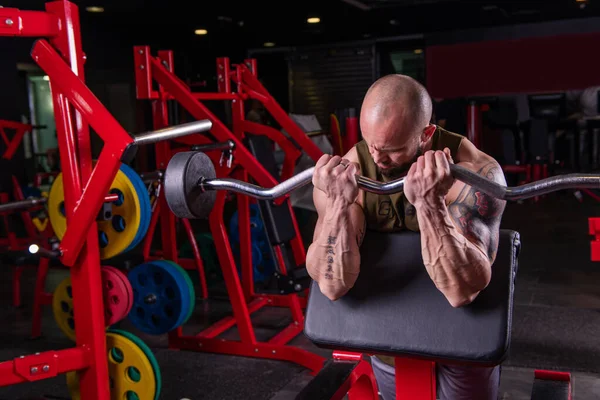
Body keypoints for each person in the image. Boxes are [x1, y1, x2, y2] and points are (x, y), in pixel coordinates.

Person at [305, 74, 507, 400]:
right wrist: (340, 205)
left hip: (464, 342)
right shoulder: (354, 169)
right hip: (386, 340)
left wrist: (430, 204)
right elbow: (331, 285)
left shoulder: (475, 173)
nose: (378, 158)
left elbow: (463, 291)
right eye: (370, 144)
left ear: (426, 134)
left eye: (392, 149)